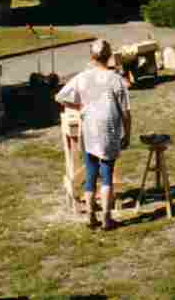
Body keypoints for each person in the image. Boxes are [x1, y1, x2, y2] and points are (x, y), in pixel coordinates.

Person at [55, 39, 132, 231]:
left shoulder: (82, 77)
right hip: (109, 130)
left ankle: (90, 216)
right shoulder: (115, 79)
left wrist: (78, 106)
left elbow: (60, 96)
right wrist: (127, 133)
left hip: (88, 129)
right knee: (106, 175)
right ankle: (106, 218)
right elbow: (126, 112)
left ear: (92, 57)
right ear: (110, 56)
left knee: (90, 174)